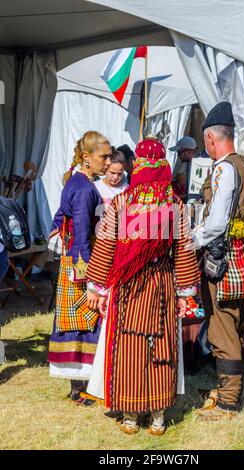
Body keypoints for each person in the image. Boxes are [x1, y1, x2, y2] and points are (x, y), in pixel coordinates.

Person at [85, 138, 199, 435]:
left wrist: (96, 286)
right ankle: (158, 417)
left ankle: (131, 416)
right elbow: (185, 249)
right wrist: (186, 292)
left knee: (130, 346)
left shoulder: (122, 202)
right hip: (161, 283)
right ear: (163, 165)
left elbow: (106, 246)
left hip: (128, 287)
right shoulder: (174, 204)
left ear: (138, 166)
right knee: (160, 345)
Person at [192, 102, 244, 420]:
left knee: (222, 328)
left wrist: (191, 240)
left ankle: (227, 402)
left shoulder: (224, 168)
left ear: (211, 139)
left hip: (223, 258)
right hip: (243, 254)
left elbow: (216, 223)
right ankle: (229, 388)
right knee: (234, 325)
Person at [48, 131, 112, 401]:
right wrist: (91, 281)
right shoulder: (84, 189)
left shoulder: (78, 182)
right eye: (103, 157)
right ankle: (80, 389)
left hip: (74, 261)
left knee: (79, 322)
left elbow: (64, 221)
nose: (108, 162)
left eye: (109, 156)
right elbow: (84, 236)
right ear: (86, 158)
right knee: (83, 321)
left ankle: (80, 387)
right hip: (81, 265)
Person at [77, 150, 129, 406]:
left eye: (120, 173)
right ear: (105, 169)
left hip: (119, 255)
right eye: (112, 173)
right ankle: (90, 370)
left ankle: (109, 367)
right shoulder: (95, 189)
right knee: (94, 310)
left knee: (111, 312)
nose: (117, 177)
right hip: (100, 250)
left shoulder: (130, 192)